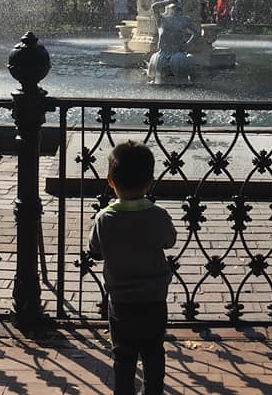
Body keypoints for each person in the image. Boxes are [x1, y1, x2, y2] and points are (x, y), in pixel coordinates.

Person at [89, 141, 177, 395]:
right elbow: (169, 241)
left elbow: (94, 249)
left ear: (110, 181)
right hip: (154, 298)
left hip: (121, 299)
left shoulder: (104, 218)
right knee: (153, 351)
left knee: (123, 354)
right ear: (150, 181)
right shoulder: (158, 215)